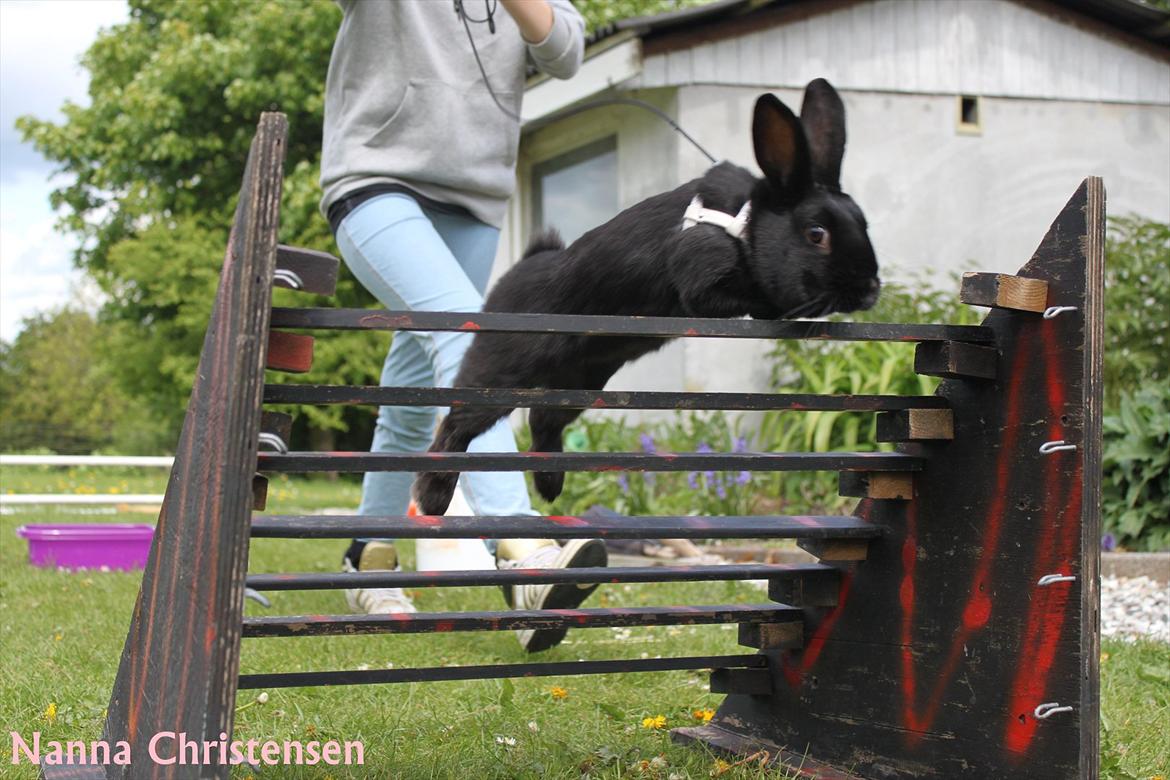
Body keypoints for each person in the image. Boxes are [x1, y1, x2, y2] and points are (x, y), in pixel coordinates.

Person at [319, 0, 607, 653]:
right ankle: (524, 548)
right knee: (466, 337)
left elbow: (565, 50)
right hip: (375, 181)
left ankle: (368, 557)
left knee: (414, 393)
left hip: (472, 202)